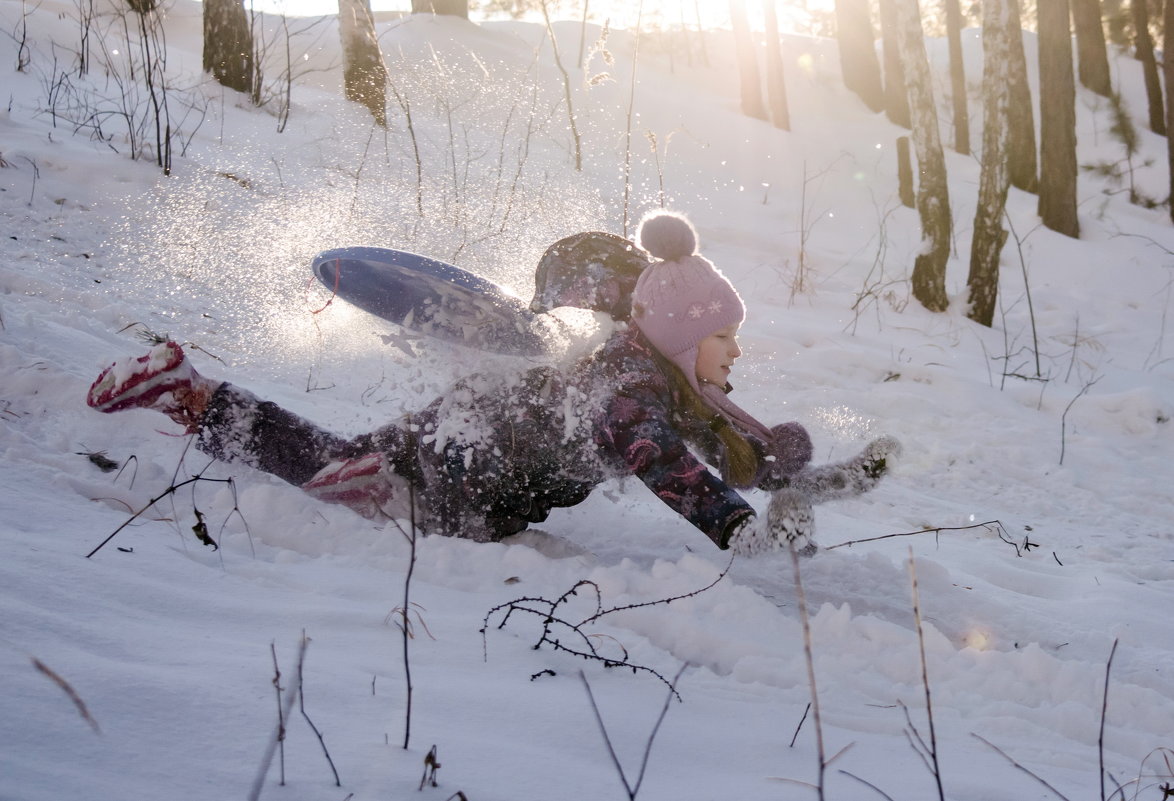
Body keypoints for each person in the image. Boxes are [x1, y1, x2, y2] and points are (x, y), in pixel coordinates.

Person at [86, 211, 898, 555]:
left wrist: (819, 479)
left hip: (472, 454)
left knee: (332, 462)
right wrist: (734, 528)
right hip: (447, 469)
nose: (736, 353)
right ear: (686, 336)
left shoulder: (674, 382)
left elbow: (736, 446)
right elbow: (656, 455)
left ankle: (186, 389)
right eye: (727, 336)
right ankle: (182, 388)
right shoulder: (630, 388)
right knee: (324, 473)